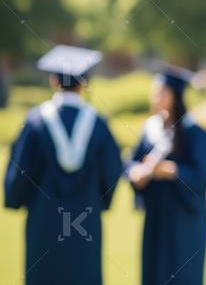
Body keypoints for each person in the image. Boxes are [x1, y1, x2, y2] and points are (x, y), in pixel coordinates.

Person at [4, 45, 122, 285]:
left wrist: (15, 199)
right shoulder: (98, 124)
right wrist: (101, 200)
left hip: (43, 221)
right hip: (85, 222)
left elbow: (19, 174)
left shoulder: (36, 122)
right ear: (84, 83)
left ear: (53, 80)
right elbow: (112, 171)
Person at [126, 66, 206, 285]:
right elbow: (132, 163)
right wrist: (136, 174)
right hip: (156, 217)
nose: (154, 98)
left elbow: (201, 177)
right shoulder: (150, 129)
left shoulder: (195, 133)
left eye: (161, 92)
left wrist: (172, 171)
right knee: (154, 271)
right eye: (154, 92)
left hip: (184, 220)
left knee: (182, 273)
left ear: (175, 96)